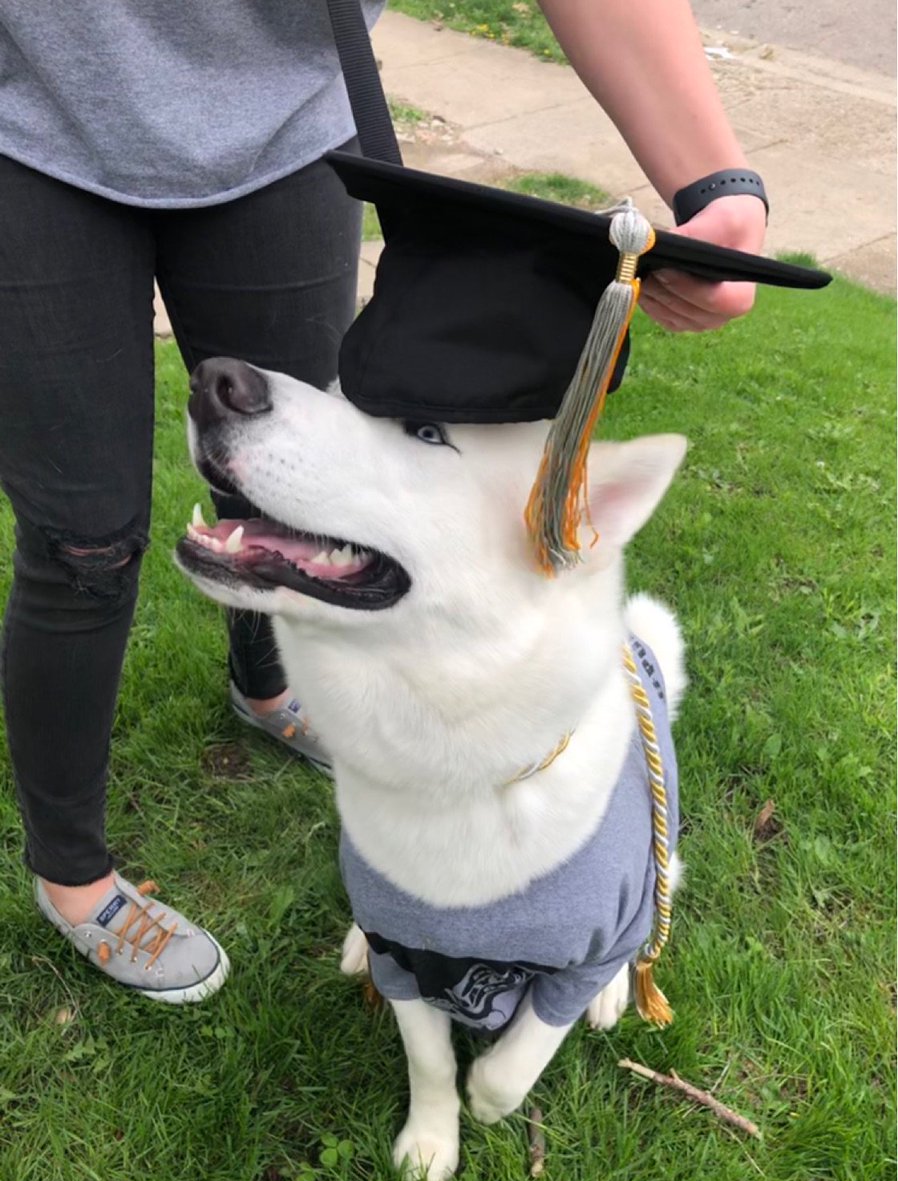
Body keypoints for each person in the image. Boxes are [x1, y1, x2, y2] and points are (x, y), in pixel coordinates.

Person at [0, 0, 767, 1003]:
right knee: (82, 543)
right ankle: (75, 875)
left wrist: (718, 176)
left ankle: (265, 689)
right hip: (30, 127)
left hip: (285, 132)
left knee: (293, 469)